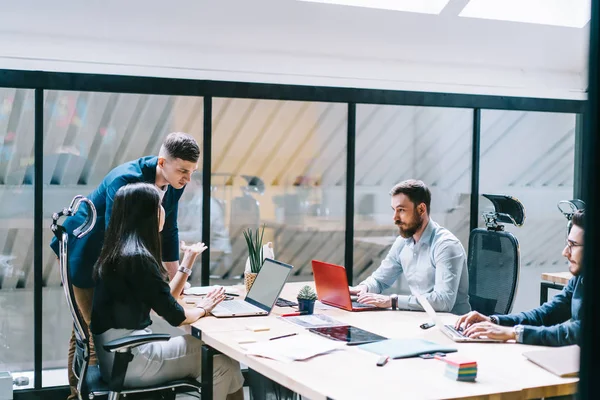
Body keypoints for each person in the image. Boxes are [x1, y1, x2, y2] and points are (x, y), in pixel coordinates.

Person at [50, 132, 200, 399]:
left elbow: (169, 229)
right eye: (183, 171)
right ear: (162, 162)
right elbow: (116, 237)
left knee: (85, 332)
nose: (187, 179)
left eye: (192, 172)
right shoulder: (125, 180)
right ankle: (84, 395)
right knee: (91, 334)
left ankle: (80, 393)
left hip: (112, 258)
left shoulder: (175, 181)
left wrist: (174, 274)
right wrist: (151, 280)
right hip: (85, 254)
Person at [91, 183, 244, 399]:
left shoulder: (121, 251)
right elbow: (176, 316)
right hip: (132, 359)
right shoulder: (139, 258)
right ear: (146, 214)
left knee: (225, 358)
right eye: (159, 206)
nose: (163, 211)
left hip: (118, 356)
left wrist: (187, 262)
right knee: (221, 364)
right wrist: (202, 308)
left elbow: (166, 300)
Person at [455, 210, 585, 346]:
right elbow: (545, 314)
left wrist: (513, 333)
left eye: (573, 245)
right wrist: (493, 321)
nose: (565, 252)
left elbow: (576, 332)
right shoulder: (580, 279)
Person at [350, 179, 471, 315]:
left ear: (421, 209)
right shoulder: (403, 242)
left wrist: (392, 301)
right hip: (419, 319)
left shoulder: (446, 245)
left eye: (401, 210)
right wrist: (363, 287)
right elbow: (379, 280)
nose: (395, 218)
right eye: (394, 210)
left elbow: (443, 301)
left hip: (451, 325)